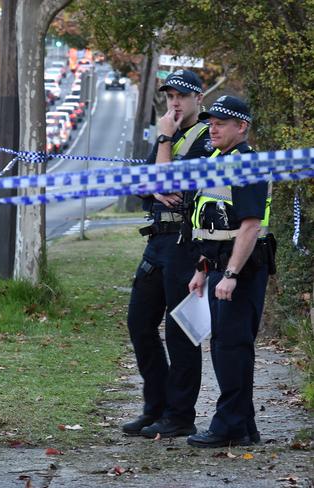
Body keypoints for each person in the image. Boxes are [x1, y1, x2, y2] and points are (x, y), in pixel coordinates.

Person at [122, 70, 213, 438]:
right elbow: (141, 186)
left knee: (181, 334)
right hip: (157, 242)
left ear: (198, 98)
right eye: (170, 96)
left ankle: (180, 415)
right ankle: (155, 407)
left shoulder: (206, 137)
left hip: (186, 245)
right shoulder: (169, 135)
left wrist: (163, 140)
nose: (174, 103)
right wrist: (155, 184)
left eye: (182, 96)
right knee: (139, 324)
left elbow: (164, 182)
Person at [187, 96, 273, 447]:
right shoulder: (219, 162)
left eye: (221, 122)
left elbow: (250, 226)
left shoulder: (246, 165)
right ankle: (244, 426)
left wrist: (233, 274)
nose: (213, 127)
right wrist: (203, 269)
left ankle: (229, 427)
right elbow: (214, 225)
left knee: (232, 349)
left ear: (242, 127)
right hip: (222, 268)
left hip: (243, 272)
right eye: (210, 121)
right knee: (226, 347)